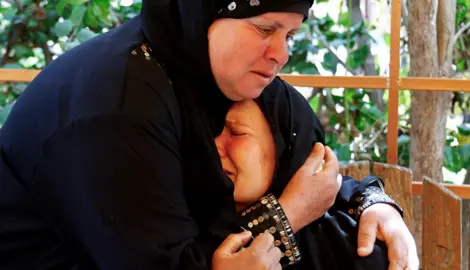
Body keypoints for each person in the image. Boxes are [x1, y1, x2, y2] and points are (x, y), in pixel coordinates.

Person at [0, 1, 418, 269]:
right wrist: (287, 215)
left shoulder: (196, 67)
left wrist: (367, 201)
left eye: (290, 34)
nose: (282, 53)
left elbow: (309, 172)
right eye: (263, 28)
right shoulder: (118, 107)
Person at [213, 98, 390, 269]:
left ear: (289, 149)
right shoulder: (190, 225)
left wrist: (377, 203)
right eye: (211, 132)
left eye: (237, 133)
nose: (214, 145)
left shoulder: (349, 247)